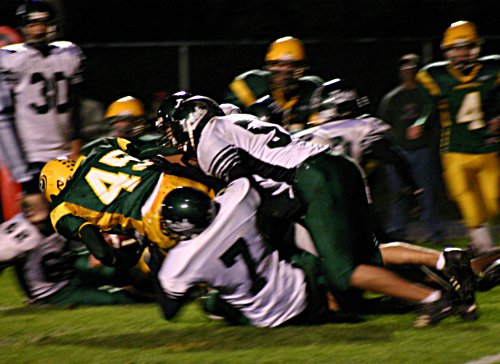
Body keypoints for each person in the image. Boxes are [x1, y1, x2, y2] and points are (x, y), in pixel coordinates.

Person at [157, 95, 478, 327]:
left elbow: (243, 191)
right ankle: (446, 260)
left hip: (312, 181)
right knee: (365, 254)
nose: (172, 138)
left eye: (173, 129)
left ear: (188, 123)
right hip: (334, 167)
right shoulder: (230, 121)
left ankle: (432, 301)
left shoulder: (209, 140)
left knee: (343, 272)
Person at [157, 178, 469, 327]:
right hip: (300, 281)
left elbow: (170, 311)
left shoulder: (181, 262)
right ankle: (440, 263)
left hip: (270, 316)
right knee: (354, 254)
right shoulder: (236, 203)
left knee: (213, 304)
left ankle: (426, 296)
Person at [37, 138, 220, 269]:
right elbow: (141, 154)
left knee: (200, 268)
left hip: (155, 216)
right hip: (176, 181)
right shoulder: (102, 147)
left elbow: (101, 253)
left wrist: (125, 261)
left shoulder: (62, 208)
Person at [407, 21, 499, 255]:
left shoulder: (492, 70)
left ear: (476, 47)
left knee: (494, 202)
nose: (461, 53)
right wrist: (420, 122)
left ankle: (485, 241)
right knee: (467, 200)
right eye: (455, 48)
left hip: (487, 148)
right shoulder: (435, 75)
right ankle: (485, 248)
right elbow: (430, 108)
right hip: (455, 150)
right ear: (447, 51)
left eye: (466, 47)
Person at [0, 194, 149, 306]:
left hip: (71, 268)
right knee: (114, 298)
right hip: (55, 291)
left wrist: (96, 249)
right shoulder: (22, 235)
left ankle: (154, 287)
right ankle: (151, 300)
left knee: (118, 271)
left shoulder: (61, 213)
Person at [0, 0, 85, 196]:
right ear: (23, 27)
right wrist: (21, 170)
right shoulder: (11, 59)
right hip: (31, 156)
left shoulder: (68, 53)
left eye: (43, 24)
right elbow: (4, 117)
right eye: (32, 24)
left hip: (65, 153)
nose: (38, 30)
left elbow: (74, 102)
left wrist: (76, 140)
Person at [378, 54, 446, 243]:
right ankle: (397, 231)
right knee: (398, 194)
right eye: (404, 68)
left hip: (421, 151)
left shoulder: (425, 95)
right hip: (399, 153)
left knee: (428, 192)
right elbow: (383, 125)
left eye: (411, 68)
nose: (407, 71)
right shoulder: (393, 98)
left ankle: (436, 232)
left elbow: (435, 121)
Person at [224, 36, 323, 132]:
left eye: (293, 66)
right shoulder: (249, 86)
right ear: (269, 66)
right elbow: (225, 127)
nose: (285, 71)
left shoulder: (312, 88)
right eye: (278, 65)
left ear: (302, 67)